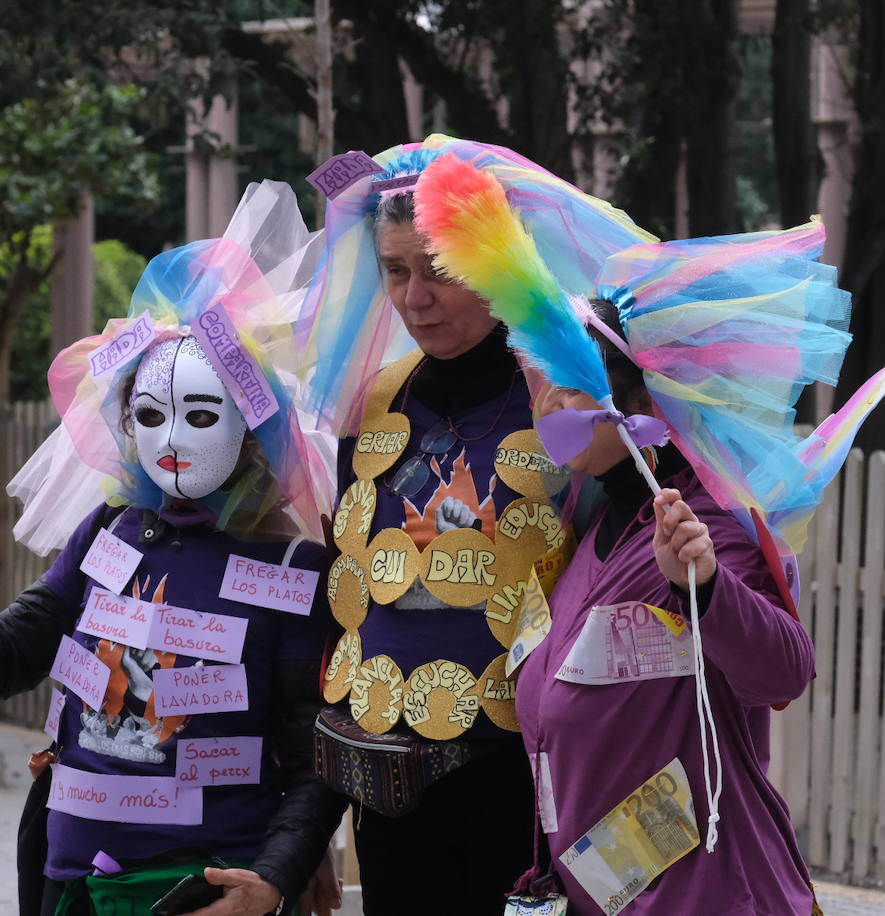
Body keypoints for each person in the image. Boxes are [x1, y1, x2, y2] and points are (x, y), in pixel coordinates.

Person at [407, 170, 885, 912]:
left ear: (643, 403)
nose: (551, 404)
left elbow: (784, 671)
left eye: (576, 386)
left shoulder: (707, 525)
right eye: (543, 381)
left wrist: (706, 586)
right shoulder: (589, 526)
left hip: (716, 895)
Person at [0, 183, 343, 916]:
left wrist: (273, 878)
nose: (171, 440)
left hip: (204, 889)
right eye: (150, 414)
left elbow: (315, 758)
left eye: (200, 414)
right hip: (72, 879)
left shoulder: (294, 570)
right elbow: (1, 665)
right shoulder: (109, 532)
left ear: (252, 424)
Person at [299, 136, 654, 915]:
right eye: (396, 271)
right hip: (392, 788)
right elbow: (344, 605)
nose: (414, 298)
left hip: (527, 787)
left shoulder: (565, 399)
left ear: (496, 264)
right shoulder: (374, 402)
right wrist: (309, 824)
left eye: (440, 271)